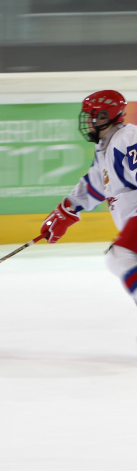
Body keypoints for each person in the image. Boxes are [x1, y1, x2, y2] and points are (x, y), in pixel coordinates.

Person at [40, 90, 137, 308]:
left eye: (93, 116)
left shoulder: (128, 138)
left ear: (105, 116)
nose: (89, 122)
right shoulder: (105, 147)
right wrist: (67, 209)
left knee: (121, 255)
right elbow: (94, 184)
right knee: (118, 259)